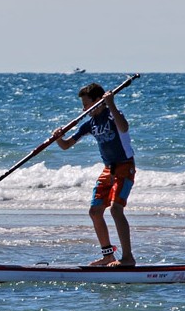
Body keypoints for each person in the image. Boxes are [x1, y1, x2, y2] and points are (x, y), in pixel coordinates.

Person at [53, 83, 136, 267]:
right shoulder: (89, 123)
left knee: (115, 209)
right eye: (82, 105)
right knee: (95, 211)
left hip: (125, 166)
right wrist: (59, 137)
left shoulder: (113, 115)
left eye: (86, 104)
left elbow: (124, 127)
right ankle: (108, 256)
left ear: (99, 102)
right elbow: (66, 145)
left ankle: (128, 258)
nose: (83, 109)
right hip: (108, 169)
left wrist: (111, 104)